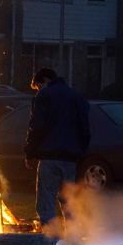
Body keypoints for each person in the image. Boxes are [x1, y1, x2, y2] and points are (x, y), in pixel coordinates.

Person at [24, 68, 90, 228]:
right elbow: (85, 129)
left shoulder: (44, 95)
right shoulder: (77, 97)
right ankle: (73, 238)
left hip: (49, 157)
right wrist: (81, 152)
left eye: (38, 86)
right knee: (69, 200)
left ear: (45, 80)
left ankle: (49, 241)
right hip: (71, 158)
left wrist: (29, 152)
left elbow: (36, 127)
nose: (38, 90)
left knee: (46, 201)